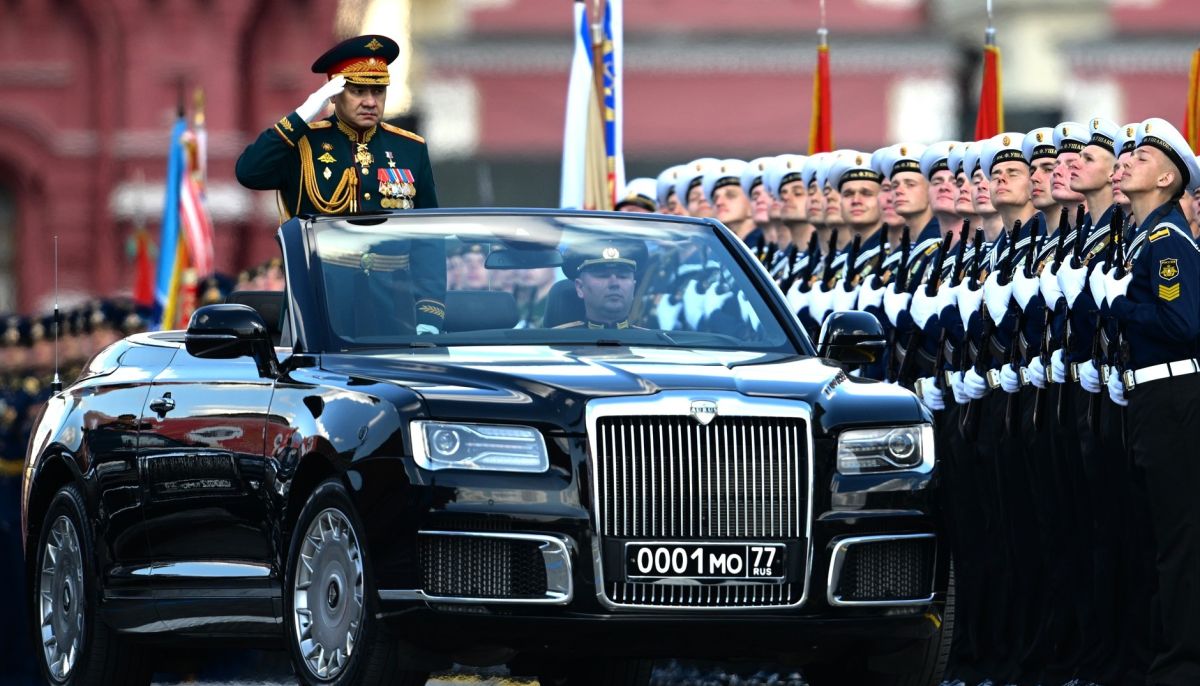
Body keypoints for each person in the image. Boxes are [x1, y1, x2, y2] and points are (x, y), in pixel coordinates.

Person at [235, 34, 446, 334]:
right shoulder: (303, 142)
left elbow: (429, 239)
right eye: (357, 91)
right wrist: (301, 116)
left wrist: (430, 314)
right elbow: (249, 172)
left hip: (394, 307)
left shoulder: (409, 148)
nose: (370, 101)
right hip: (318, 299)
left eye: (378, 91)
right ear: (333, 94)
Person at [1104, 117, 1200, 686]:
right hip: (1151, 396)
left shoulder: (1167, 243)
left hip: (1173, 396)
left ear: (1166, 178)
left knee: (1181, 539)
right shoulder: (1145, 239)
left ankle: (1183, 666)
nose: (1129, 163)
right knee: (1161, 535)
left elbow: (1179, 320)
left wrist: (1119, 305)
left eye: (1142, 158)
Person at [556, 244, 643, 329]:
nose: (614, 283)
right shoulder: (554, 341)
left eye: (622, 276)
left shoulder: (651, 341)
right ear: (580, 288)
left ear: (633, 288)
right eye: (603, 275)